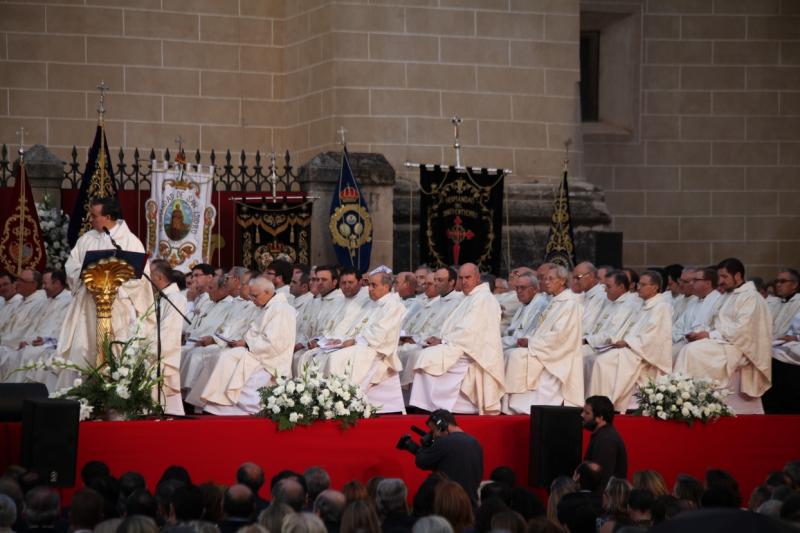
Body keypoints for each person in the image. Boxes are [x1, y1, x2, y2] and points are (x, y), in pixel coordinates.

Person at [56, 197, 155, 388]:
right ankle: (82, 397)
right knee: (83, 349)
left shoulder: (129, 241)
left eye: (94, 215)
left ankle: (113, 396)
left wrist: (112, 285)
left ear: (108, 217)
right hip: (88, 306)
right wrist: (88, 278)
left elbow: (141, 277)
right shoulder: (86, 239)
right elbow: (72, 266)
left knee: (114, 349)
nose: (90, 219)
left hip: (116, 308)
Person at [675, 258, 772, 414]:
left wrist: (710, 334)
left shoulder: (751, 297)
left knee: (692, 352)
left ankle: (694, 402)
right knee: (685, 348)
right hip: (723, 341)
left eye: (724, 276)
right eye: (719, 276)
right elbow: (713, 321)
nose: (720, 281)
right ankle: (683, 401)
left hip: (741, 347)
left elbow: (743, 330)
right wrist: (701, 333)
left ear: (738, 276)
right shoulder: (728, 296)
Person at [186, 277, 296, 415]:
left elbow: (276, 343)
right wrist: (233, 340)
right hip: (253, 351)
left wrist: (246, 343)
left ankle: (224, 405)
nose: (252, 299)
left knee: (227, 356)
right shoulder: (261, 307)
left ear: (268, 292)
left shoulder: (281, 309)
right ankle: (210, 403)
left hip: (268, 359)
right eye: (251, 295)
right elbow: (244, 329)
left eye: (255, 296)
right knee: (219, 354)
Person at [408, 263, 505, 414]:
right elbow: (455, 327)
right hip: (460, 345)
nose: (464, 281)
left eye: (468, 277)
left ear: (477, 278)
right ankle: (430, 405)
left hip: (473, 352)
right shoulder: (469, 298)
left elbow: (471, 332)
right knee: (426, 353)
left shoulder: (484, 299)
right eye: (461, 278)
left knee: (428, 356)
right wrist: (441, 338)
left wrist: (444, 341)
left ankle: (437, 405)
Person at [318, 270, 407, 412]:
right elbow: (354, 327)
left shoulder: (393, 306)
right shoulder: (372, 304)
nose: (369, 289)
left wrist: (353, 341)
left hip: (377, 350)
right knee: (324, 354)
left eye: (373, 285)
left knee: (335, 358)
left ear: (386, 287)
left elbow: (380, 335)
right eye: (369, 284)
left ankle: (341, 402)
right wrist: (341, 340)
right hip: (362, 345)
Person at [588, 270, 673, 411]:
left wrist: (628, 342)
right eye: (639, 283)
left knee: (602, 362)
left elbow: (654, 338)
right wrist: (617, 340)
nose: (638, 287)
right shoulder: (641, 304)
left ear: (655, 287)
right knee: (596, 358)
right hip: (628, 347)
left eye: (643, 284)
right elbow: (624, 328)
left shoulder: (661, 307)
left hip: (640, 352)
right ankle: (594, 405)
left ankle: (605, 406)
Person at [503, 264, 583, 412]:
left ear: (562, 281)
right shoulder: (554, 301)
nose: (546, 282)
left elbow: (561, 336)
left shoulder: (569, 303)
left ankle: (520, 405)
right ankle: (512, 404)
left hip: (557, 354)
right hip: (543, 347)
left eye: (551, 278)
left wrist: (531, 342)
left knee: (515, 355)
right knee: (510, 352)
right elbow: (539, 329)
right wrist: (527, 339)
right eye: (545, 278)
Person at [414, 410, 483, 507]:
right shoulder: (475, 442)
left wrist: (425, 444)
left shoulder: (444, 442)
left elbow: (421, 461)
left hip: (450, 505)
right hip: (471, 504)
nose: (434, 435)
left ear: (442, 425)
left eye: (434, 431)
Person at [149, 260, 188, 415]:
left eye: (149, 275)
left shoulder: (175, 299)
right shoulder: (160, 296)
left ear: (158, 277)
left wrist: (148, 348)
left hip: (161, 351)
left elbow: (168, 333)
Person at [582, 396, 627, 490]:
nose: (582, 415)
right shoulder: (603, 436)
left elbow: (603, 479)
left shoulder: (607, 440)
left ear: (600, 417)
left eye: (587, 413)